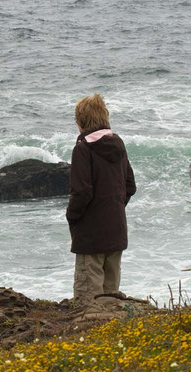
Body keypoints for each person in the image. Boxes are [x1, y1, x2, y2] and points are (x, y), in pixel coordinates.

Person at [66, 93, 136, 304]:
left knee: (90, 302)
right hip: (116, 230)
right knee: (110, 299)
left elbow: (82, 193)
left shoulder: (83, 149)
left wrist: (72, 216)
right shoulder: (118, 144)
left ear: (81, 121)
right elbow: (130, 187)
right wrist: (113, 207)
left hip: (91, 235)